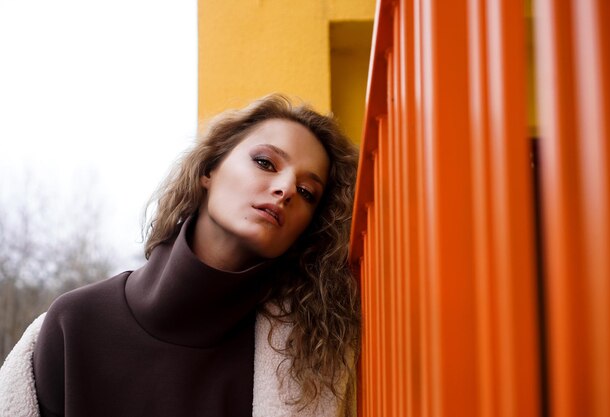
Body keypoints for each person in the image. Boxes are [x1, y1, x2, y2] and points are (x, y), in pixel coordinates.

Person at [0, 94, 360, 417]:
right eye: (266, 163)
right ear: (209, 170)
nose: (284, 190)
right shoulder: (75, 323)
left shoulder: (308, 359)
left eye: (306, 191)